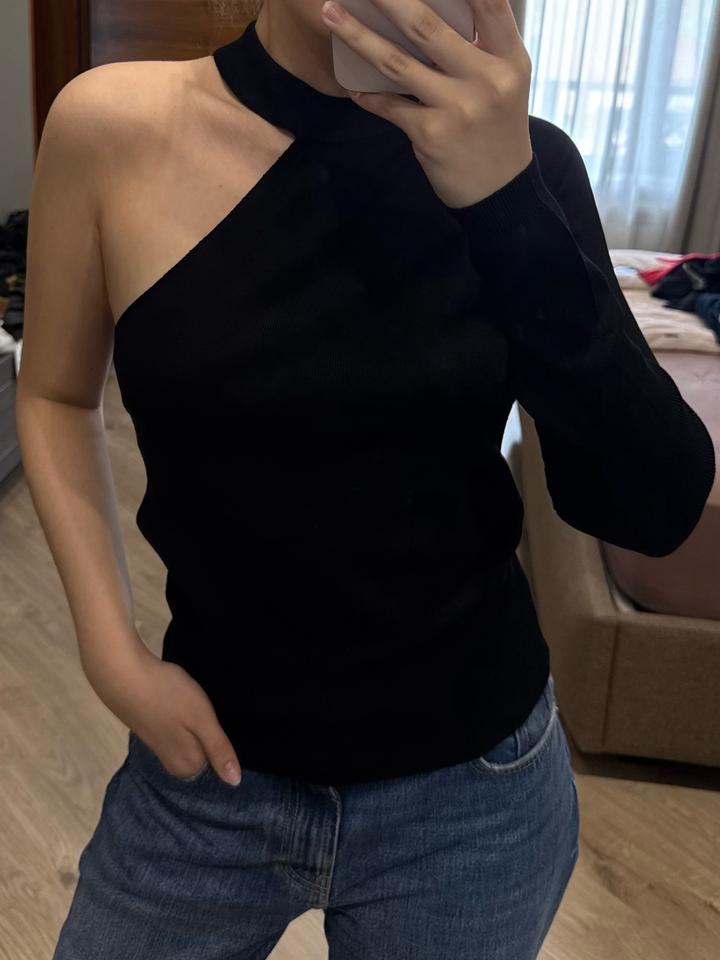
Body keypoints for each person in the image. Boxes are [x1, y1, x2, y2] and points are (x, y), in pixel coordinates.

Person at [17, 0, 714, 957]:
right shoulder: (111, 126)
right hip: (207, 768)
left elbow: (652, 505)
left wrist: (507, 200)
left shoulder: (530, 165)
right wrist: (111, 654)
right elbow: (55, 396)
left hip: (474, 796)